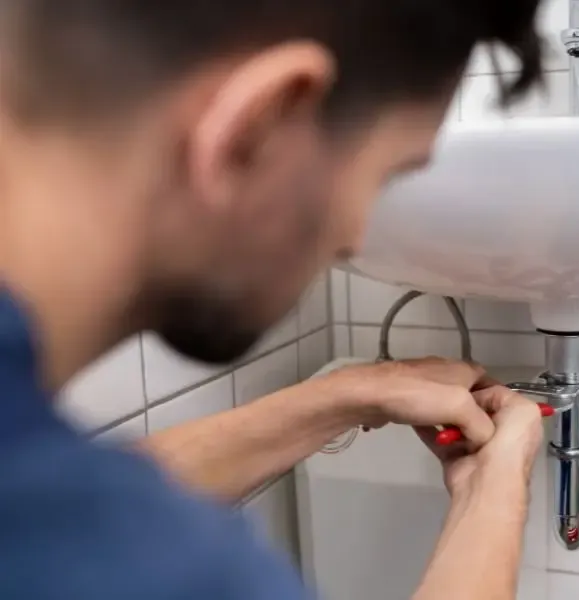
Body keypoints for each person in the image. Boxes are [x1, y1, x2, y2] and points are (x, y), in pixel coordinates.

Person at [0, 1, 548, 599]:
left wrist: (346, 395)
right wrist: (492, 492)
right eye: (385, 174)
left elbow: (71, 503)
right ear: (257, 127)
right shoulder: (178, 575)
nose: (354, 238)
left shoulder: (40, 501)